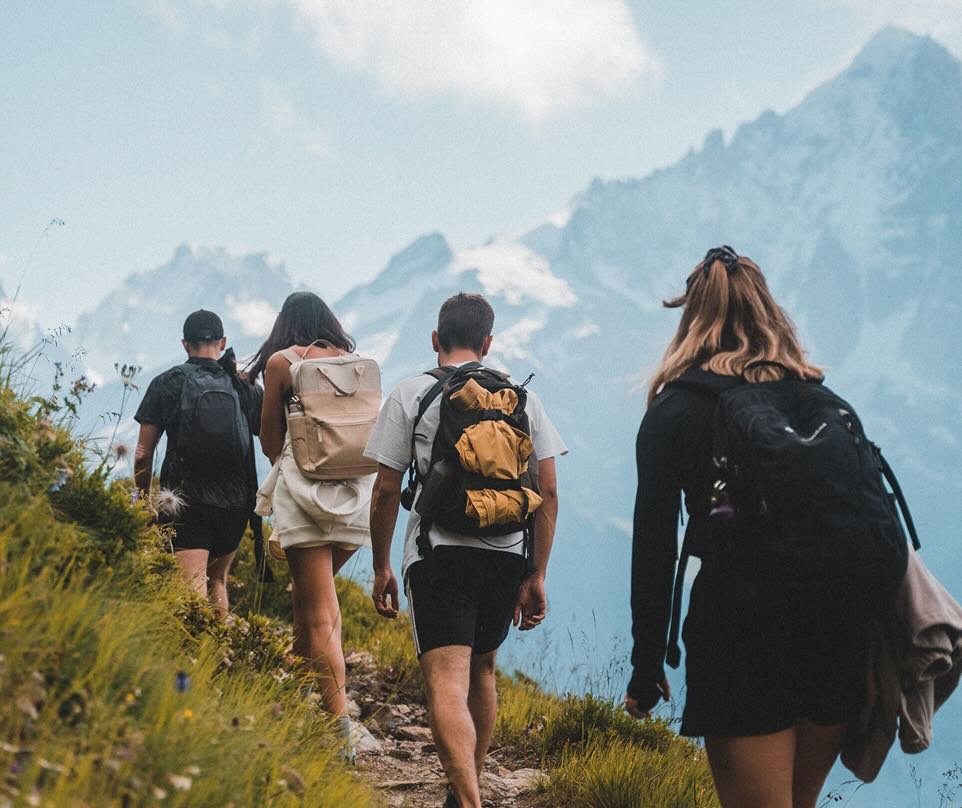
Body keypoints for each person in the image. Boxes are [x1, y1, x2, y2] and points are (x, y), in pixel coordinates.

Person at [624, 247, 876, 808]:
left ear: (691, 316)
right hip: (838, 632)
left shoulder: (675, 410)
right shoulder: (817, 399)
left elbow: (655, 546)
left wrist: (646, 666)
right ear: (770, 312)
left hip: (742, 634)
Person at [365, 293, 566, 808]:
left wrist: (382, 565)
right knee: (483, 670)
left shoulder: (413, 394)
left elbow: (387, 488)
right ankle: (465, 792)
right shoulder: (522, 398)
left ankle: (469, 800)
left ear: (436, 340)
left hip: (439, 553)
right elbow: (548, 491)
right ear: (488, 342)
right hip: (507, 552)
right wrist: (536, 573)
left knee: (446, 685)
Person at [247, 291, 372, 756]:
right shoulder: (354, 363)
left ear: (284, 323)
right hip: (354, 495)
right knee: (309, 596)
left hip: (304, 495)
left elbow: (269, 440)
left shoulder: (281, 362)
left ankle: (340, 729)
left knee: (319, 610)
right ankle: (299, 691)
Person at [134, 309, 262, 618]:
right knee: (217, 582)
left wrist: (144, 498)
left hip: (185, 501)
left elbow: (141, 453)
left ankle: (191, 661)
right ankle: (219, 659)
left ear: (184, 344)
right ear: (223, 342)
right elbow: (272, 442)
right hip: (236, 502)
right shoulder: (245, 388)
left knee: (190, 588)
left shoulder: (168, 382)